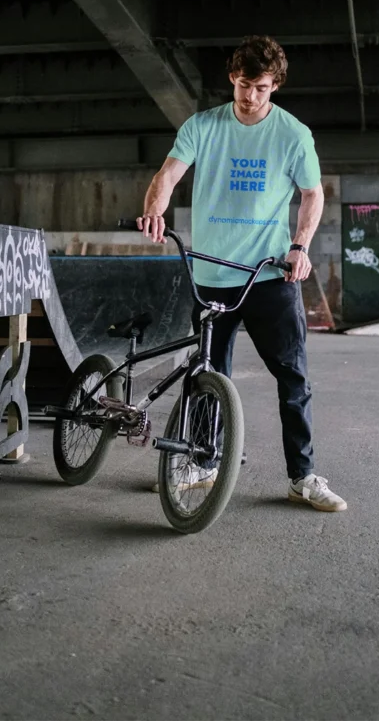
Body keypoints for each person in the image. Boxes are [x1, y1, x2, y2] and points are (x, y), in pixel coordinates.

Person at [137, 35, 346, 513]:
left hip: (269, 275)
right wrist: (154, 209)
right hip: (210, 273)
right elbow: (168, 174)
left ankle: (302, 476)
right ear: (233, 78)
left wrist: (300, 247)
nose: (251, 96)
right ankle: (204, 462)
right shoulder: (202, 126)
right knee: (208, 374)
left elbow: (312, 196)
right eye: (245, 84)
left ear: (275, 86)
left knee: (293, 377)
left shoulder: (293, 134)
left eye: (262, 87)